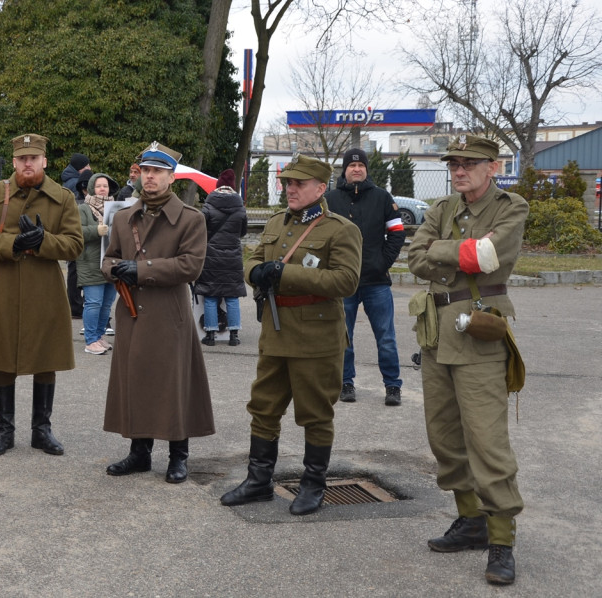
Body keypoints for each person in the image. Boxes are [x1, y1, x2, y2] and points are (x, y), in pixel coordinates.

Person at [407, 135, 528, 586]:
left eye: (469, 164)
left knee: (486, 441)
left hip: (479, 333)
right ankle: (471, 520)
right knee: (443, 435)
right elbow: (415, 257)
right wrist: (461, 255)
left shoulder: (510, 207)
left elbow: (489, 256)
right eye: (454, 163)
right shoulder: (441, 210)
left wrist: (450, 253)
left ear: (492, 167)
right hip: (438, 334)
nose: (459, 171)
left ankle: (502, 539)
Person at [220, 154, 361, 515]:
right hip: (276, 330)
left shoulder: (340, 229)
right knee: (263, 407)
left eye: (298, 183)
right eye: (287, 183)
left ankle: (313, 485)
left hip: (316, 337)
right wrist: (257, 273)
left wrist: (285, 275)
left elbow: (346, 281)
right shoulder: (277, 222)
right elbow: (251, 259)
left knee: (315, 413)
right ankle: (259, 481)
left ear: (320, 187)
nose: (290, 189)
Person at [102, 142, 213, 485]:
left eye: (157, 172)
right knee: (136, 381)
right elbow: (108, 259)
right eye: (145, 170)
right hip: (132, 313)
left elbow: (191, 266)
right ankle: (139, 453)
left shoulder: (191, 219)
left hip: (169, 315)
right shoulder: (123, 217)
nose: (149, 177)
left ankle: (178, 455)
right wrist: (115, 270)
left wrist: (142, 269)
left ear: (171, 177)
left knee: (173, 384)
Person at [0, 133, 83, 457]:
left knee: (47, 360)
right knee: (1, 360)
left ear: (44, 161)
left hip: (44, 291)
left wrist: (42, 241)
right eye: (22, 158)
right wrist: (13, 244)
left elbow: (74, 244)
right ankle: (4, 430)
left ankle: (41, 430)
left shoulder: (62, 198)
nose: (27, 163)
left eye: (33, 158)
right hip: (3, 290)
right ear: (15, 161)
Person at [324, 148, 406, 405]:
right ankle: (346, 383)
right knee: (343, 337)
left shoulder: (382, 197)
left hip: (376, 282)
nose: (356, 169)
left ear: (367, 170)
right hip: (342, 282)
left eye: (361, 166)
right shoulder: (330, 200)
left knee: (387, 338)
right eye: (351, 165)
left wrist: (382, 263)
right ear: (344, 170)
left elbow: (397, 233)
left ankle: (393, 386)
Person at [197, 169, 248, 347]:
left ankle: (210, 335)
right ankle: (233, 335)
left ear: (218, 186)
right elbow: (243, 232)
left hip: (211, 256)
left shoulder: (208, 206)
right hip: (233, 256)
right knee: (232, 295)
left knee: (211, 295)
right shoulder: (240, 207)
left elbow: (201, 231)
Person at [77, 172, 120, 355]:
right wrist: (96, 230)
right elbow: (76, 231)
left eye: (106, 186)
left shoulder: (116, 208)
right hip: (90, 262)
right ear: (92, 188)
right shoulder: (83, 209)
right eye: (99, 186)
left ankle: (99, 336)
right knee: (93, 303)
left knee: (106, 303)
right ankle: (91, 340)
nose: (103, 189)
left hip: (111, 262)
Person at [62, 154, 92, 317]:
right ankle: (75, 305)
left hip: (71, 230)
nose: (89, 168)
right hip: (76, 230)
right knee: (75, 268)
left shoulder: (69, 180)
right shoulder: (75, 184)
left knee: (73, 268)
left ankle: (75, 304)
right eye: (87, 166)